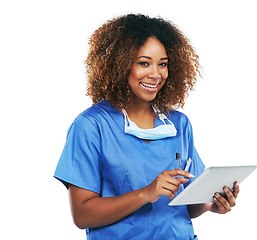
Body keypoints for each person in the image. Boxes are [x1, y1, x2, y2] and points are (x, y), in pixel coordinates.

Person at [54, 14, 239, 240]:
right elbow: (82, 215)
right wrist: (146, 193)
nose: (155, 74)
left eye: (163, 64)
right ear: (121, 65)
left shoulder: (179, 125)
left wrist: (210, 204)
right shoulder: (92, 126)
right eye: (144, 62)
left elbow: (186, 206)